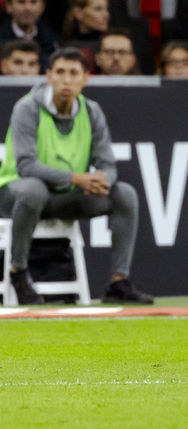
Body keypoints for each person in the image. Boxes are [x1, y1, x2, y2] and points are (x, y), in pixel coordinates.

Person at [0, 47, 152, 305]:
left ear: (85, 79)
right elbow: (26, 167)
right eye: (60, 72)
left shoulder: (92, 111)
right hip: (15, 195)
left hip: (62, 199)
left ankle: (118, 282)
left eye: (73, 73)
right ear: (48, 76)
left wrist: (102, 180)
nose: (66, 79)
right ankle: (18, 272)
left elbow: (108, 165)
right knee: (33, 189)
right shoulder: (27, 108)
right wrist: (76, 178)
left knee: (124, 194)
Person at [0, 0, 61, 70]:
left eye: (33, 1)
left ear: (42, 6)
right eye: (21, 1)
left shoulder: (54, 42)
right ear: (9, 6)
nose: (28, 8)